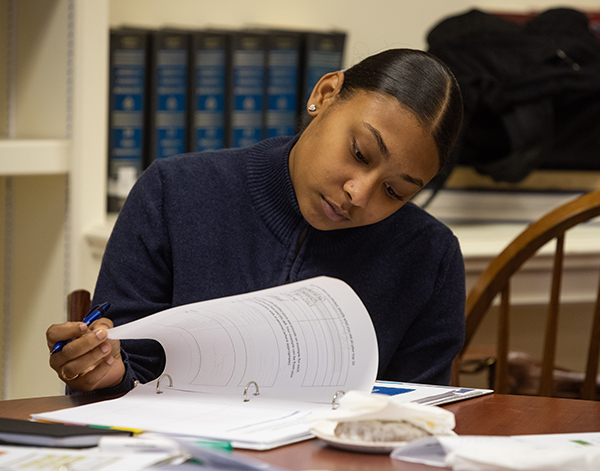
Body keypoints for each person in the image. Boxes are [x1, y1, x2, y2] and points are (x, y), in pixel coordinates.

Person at [46, 48, 465, 395]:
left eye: (394, 192)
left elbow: (414, 422)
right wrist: (100, 372)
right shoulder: (174, 192)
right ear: (326, 92)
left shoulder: (430, 255)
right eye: (359, 153)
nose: (359, 193)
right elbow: (112, 376)